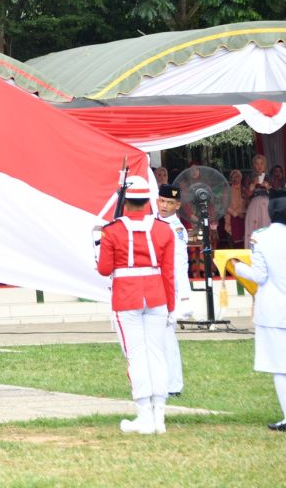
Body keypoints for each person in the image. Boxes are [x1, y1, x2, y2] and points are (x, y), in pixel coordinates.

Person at [230, 192, 286, 431]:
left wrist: (237, 267)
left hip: (273, 309)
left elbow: (259, 276)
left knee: (281, 364)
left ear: (271, 214)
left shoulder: (262, 237)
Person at [96, 175, 175, 434]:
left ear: (125, 201)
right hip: (157, 297)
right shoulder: (164, 230)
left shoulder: (112, 230)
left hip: (126, 297)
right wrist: (171, 307)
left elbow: (104, 269)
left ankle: (144, 416)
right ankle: (159, 418)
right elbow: (168, 273)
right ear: (149, 200)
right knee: (157, 354)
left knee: (137, 356)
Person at [157, 184, 191, 397]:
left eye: (170, 202)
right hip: (153, 285)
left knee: (167, 336)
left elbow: (179, 264)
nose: (164, 206)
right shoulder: (152, 221)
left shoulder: (176, 229)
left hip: (168, 288)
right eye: (162, 200)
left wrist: (183, 296)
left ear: (177, 205)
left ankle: (174, 384)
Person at [244, 154, 272, 242]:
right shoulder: (250, 177)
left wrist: (268, 187)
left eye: (261, 163)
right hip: (254, 206)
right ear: (254, 165)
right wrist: (253, 184)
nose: (259, 166)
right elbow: (246, 195)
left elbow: (276, 194)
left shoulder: (270, 177)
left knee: (266, 227)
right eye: (257, 164)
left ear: (265, 165)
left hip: (267, 206)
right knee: (254, 228)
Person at [225, 170, 246, 247]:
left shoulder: (245, 189)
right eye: (233, 177)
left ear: (241, 178)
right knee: (234, 245)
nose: (235, 178)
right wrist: (236, 214)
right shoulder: (227, 190)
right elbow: (225, 205)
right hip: (232, 218)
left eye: (237, 176)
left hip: (244, 218)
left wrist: (244, 214)